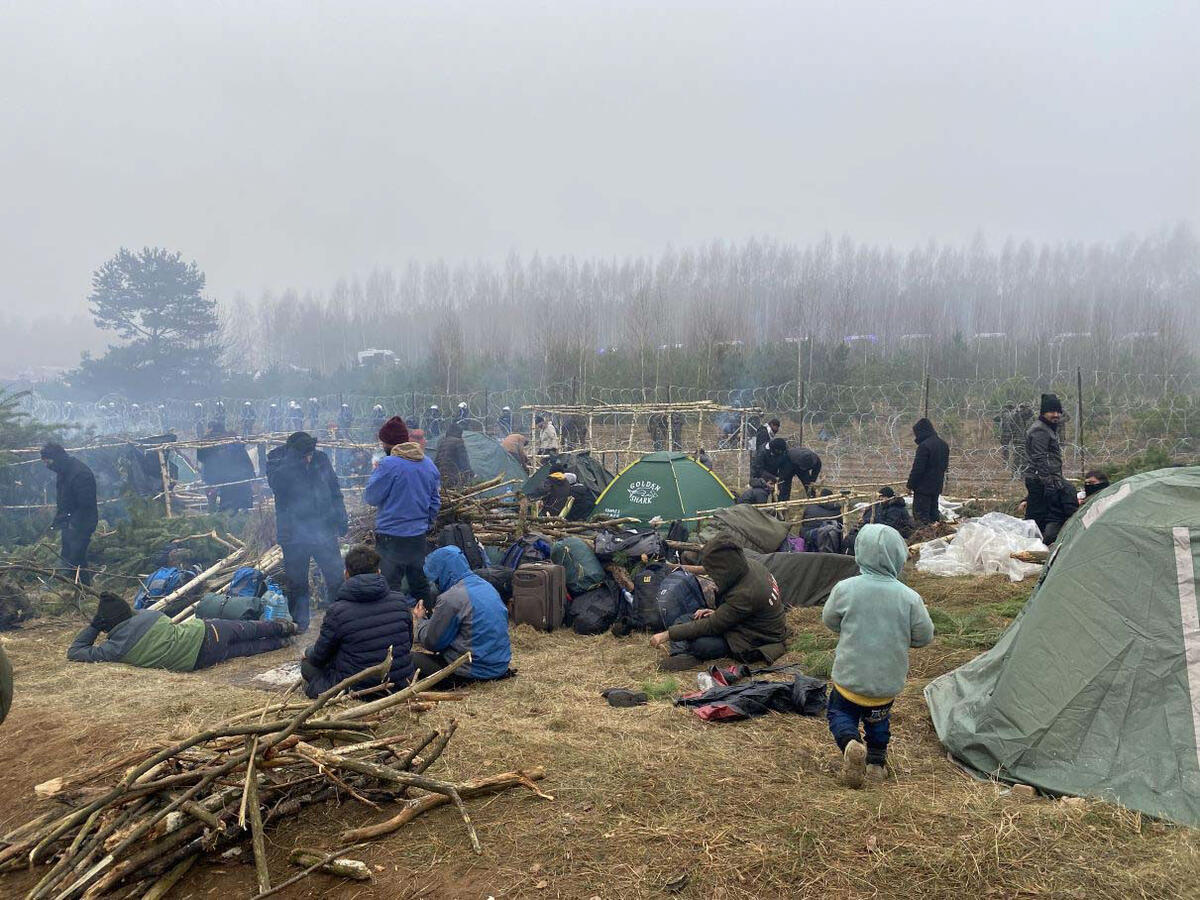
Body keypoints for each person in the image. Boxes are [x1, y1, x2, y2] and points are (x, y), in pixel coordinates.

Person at [822, 524, 934, 787]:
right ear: (898, 556)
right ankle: (875, 764)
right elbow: (925, 636)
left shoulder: (845, 588)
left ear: (860, 552)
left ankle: (850, 743)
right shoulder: (909, 598)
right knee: (878, 723)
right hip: (885, 685)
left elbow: (829, 620)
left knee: (839, 714)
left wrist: (847, 627)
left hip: (848, 680)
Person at [650, 536, 788, 671]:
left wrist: (667, 635)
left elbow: (713, 625)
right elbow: (739, 611)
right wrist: (719, 612)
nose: (713, 576)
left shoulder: (746, 593)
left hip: (754, 638)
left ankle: (687, 653)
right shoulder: (751, 566)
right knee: (683, 620)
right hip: (745, 622)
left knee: (700, 645)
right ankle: (680, 655)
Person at [299, 545, 417, 699]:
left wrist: (307, 652)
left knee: (307, 666)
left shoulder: (337, 611)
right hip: (399, 684)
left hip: (358, 689)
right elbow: (407, 643)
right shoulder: (400, 601)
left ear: (346, 574)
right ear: (379, 572)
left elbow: (320, 657)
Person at [68, 592, 294, 671]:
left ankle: (281, 644)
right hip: (207, 631)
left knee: (246, 648)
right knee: (249, 629)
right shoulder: (150, 617)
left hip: (199, 659)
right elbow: (135, 614)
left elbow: (75, 650)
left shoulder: (113, 650)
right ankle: (284, 627)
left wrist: (94, 627)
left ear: (106, 625)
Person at [266, 432, 348, 632]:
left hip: (324, 530)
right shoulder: (277, 460)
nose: (309, 458)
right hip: (293, 534)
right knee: (297, 582)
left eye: (310, 453)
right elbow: (277, 486)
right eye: (304, 455)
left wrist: (341, 517)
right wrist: (294, 461)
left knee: (335, 576)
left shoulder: (320, 458)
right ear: (294, 452)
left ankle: (339, 619)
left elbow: (334, 488)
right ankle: (300, 624)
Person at [364, 417, 440, 603]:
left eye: (383, 442)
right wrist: (425, 523)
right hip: (417, 536)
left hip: (391, 536)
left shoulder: (388, 465)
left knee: (390, 586)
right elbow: (435, 501)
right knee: (418, 582)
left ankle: (392, 621)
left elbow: (371, 498)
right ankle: (428, 619)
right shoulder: (428, 464)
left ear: (389, 444)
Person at [413, 546, 512, 683]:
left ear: (442, 572)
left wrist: (420, 620)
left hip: (471, 671)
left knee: (409, 660)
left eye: (435, 578)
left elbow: (432, 642)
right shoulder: (487, 586)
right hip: (498, 667)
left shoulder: (452, 597)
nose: (435, 582)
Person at [1023, 394, 1078, 544]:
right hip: (1040, 479)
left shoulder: (1047, 427)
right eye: (1052, 411)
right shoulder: (1040, 430)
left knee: (1042, 515)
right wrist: (1049, 483)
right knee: (1036, 518)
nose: (1056, 415)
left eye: (1058, 411)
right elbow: (1040, 458)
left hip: (1044, 479)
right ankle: (1029, 547)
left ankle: (1036, 545)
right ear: (1043, 412)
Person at [41, 443, 99, 586]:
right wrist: (59, 522)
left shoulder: (80, 473)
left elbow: (85, 504)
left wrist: (74, 525)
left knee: (76, 558)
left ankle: (84, 589)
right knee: (68, 555)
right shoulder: (63, 472)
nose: (47, 465)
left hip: (82, 523)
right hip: (69, 522)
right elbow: (64, 500)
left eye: (48, 462)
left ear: (56, 458)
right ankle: (74, 587)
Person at [906, 418, 950, 526]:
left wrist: (910, 485)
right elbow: (944, 466)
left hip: (923, 489)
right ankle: (935, 539)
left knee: (922, 520)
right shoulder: (943, 445)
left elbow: (918, 469)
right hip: (936, 487)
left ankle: (924, 540)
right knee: (934, 516)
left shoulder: (924, 446)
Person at [434, 422, 474, 489]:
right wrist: (471, 474)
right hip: (453, 477)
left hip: (440, 477)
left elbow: (437, 461)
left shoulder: (442, 442)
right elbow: (464, 461)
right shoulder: (458, 442)